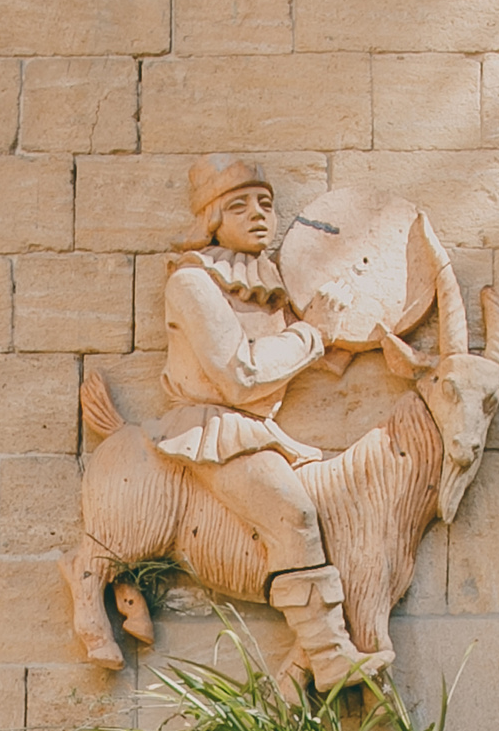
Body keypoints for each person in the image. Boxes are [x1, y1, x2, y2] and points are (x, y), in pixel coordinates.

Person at [157, 155, 390, 693]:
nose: (258, 214)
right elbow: (240, 375)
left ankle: (303, 666)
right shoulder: (193, 283)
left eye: (265, 202)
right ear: (211, 219)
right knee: (294, 515)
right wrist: (314, 335)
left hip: (259, 428)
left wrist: (353, 330)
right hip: (216, 426)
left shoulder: (262, 279)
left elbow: (296, 360)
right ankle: (331, 656)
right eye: (238, 205)